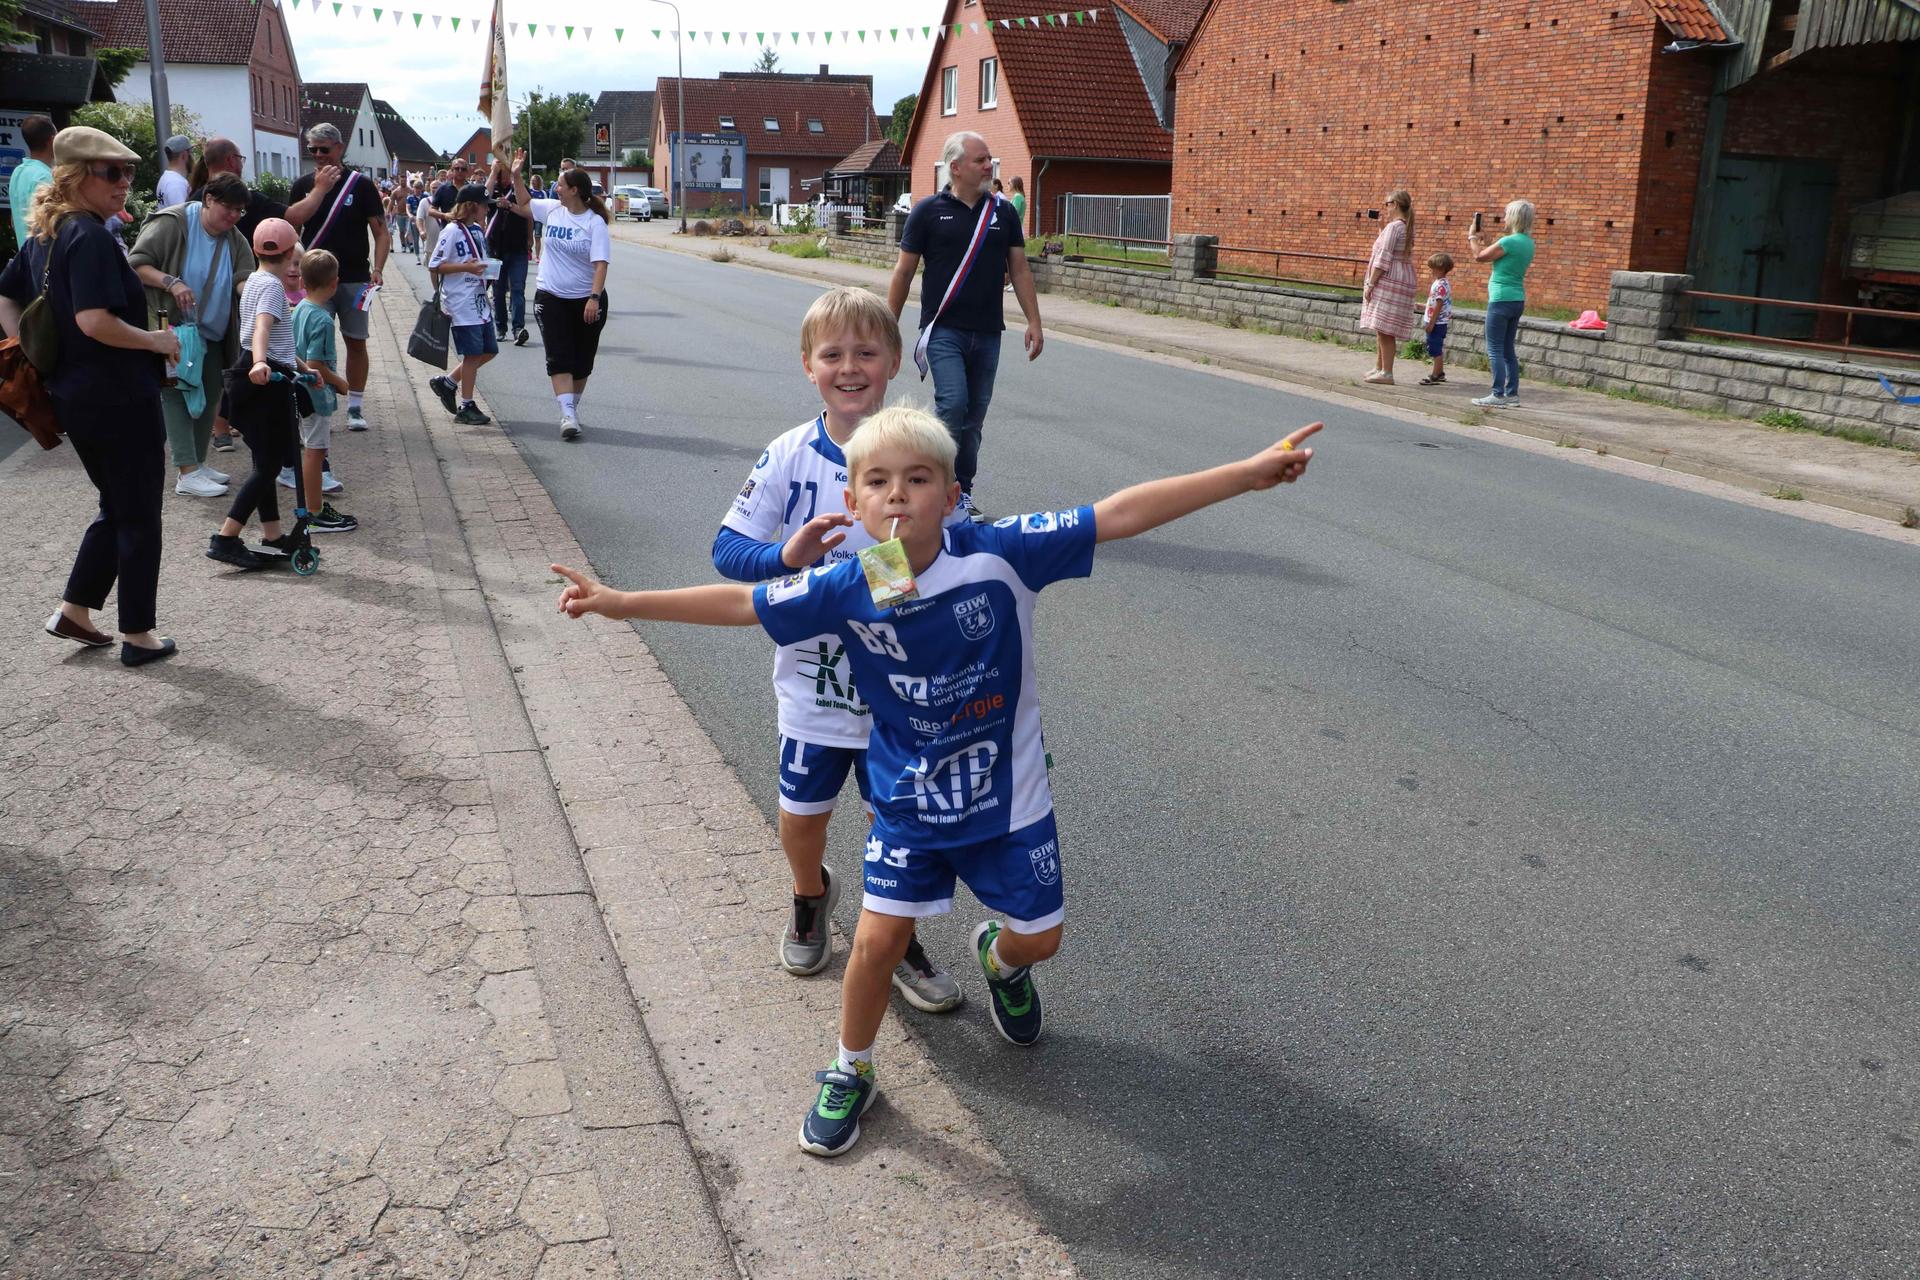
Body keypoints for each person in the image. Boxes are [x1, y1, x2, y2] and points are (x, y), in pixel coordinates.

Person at [551, 407, 1321, 1157]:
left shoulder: (1001, 554)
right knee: (879, 941)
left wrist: (1246, 476)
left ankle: (1001, 961)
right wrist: (622, 603)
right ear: (852, 504)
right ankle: (851, 1068)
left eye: (918, 479)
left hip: (1008, 801)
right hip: (909, 802)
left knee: (1041, 938)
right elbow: (743, 603)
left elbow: (1117, 513)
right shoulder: (853, 582)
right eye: (878, 482)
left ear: (951, 496)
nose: (897, 495)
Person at [710, 287, 961, 1008]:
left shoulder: (925, 448)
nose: (850, 368)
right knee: (803, 816)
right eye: (833, 355)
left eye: (867, 354)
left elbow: (961, 550)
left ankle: (894, 934)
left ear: (891, 365)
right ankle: (810, 894)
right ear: (808, 366)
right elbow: (728, 551)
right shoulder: (789, 455)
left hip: (902, 690)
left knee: (900, 824)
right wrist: (785, 559)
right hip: (816, 686)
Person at [0, 126, 182, 665]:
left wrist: (27, 353)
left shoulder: (46, 235)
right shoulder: (92, 237)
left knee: (118, 503)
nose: (125, 182)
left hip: (76, 396)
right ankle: (138, 634)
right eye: (111, 172)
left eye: (128, 172)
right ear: (78, 177)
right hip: (117, 395)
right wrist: (156, 340)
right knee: (140, 512)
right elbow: (94, 321)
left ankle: (76, 609)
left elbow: (6, 294)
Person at [888, 131, 1042, 523]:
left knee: (973, 420)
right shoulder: (927, 212)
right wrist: (887, 327)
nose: (989, 166)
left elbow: (1019, 269)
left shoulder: (1003, 213)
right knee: (952, 405)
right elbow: (904, 272)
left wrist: (1034, 321)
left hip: (989, 332)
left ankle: (962, 492)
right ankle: (935, 487)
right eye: (980, 160)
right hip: (943, 330)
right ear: (955, 168)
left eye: (990, 159)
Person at [129, 172, 256, 497]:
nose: (233, 216)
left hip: (211, 331)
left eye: (239, 210)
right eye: (229, 208)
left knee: (210, 393)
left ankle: (198, 464)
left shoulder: (234, 238)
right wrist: (172, 282)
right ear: (209, 199)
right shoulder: (173, 223)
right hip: (171, 327)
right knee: (176, 392)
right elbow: (137, 263)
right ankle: (186, 472)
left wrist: (256, 292)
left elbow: (243, 276)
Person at [206, 217, 304, 570]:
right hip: (263, 379)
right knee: (268, 466)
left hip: (255, 369)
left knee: (266, 461)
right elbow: (262, 327)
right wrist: (261, 363)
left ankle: (273, 534)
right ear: (292, 252)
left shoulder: (255, 281)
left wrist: (303, 367)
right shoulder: (274, 289)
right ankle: (227, 536)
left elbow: (275, 337)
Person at [286, 122, 389, 431]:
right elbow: (292, 226)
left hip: (354, 278)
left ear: (339, 149)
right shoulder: (303, 184)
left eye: (324, 149)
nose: (318, 155)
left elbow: (381, 232)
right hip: (315, 280)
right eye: (313, 150)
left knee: (356, 342)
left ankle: (355, 406)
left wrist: (379, 268)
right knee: (310, 346)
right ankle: (314, 405)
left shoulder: (361, 185)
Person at [507, 152, 609, 442]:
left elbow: (600, 264)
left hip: (585, 300)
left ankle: (571, 409)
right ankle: (567, 415)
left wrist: (594, 297)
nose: (556, 188)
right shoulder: (551, 210)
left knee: (582, 360)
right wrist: (516, 175)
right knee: (558, 355)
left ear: (574, 190)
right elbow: (524, 203)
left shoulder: (594, 223)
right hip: (550, 297)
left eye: (561, 185)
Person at [291, 250, 357, 533]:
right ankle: (314, 510)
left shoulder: (300, 309)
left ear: (303, 281)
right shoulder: (323, 320)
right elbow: (316, 363)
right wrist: (340, 382)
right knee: (316, 452)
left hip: (299, 390)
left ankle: (312, 507)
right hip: (315, 393)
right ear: (335, 283)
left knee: (311, 448)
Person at [425, 182, 499, 426]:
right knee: (472, 353)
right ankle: (466, 405)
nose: (487, 210)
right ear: (471, 207)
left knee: (489, 350)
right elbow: (435, 265)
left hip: (478, 299)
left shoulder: (477, 230)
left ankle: (447, 383)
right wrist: (465, 268)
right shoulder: (452, 231)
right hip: (460, 301)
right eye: (484, 207)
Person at [1469, 199, 1536, 408]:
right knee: (1508, 349)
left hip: (1500, 299)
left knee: (1495, 348)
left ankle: (1497, 394)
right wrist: (1484, 242)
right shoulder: (1527, 242)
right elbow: (1497, 254)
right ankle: (1512, 394)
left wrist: (1472, 236)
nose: (1504, 218)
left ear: (1514, 217)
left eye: (1507, 214)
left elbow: (1479, 256)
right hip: (1517, 298)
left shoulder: (1508, 241)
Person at [1359, 188, 1418, 385]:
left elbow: (1383, 257)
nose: (1385, 207)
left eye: (1387, 203)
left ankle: (1387, 372)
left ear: (1395, 205)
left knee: (1385, 329)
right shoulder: (1402, 227)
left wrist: (1370, 283)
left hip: (1388, 280)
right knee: (1381, 326)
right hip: (1401, 278)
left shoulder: (1395, 228)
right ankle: (1379, 366)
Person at [485, 156, 532, 347]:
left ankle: (518, 329)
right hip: (494, 249)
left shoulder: (519, 188)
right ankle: (501, 328)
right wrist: (492, 173)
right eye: (500, 170)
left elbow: (529, 213)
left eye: (505, 169)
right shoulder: (491, 188)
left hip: (518, 248)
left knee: (518, 289)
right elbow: (482, 197)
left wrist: (530, 239)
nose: (503, 174)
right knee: (497, 290)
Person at [8, 115, 55, 250]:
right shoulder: (44, 178)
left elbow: (14, 219)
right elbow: (49, 227)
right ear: (51, 140)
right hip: (42, 261)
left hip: (25, 258)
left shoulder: (18, 172)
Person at [1419, 252, 1455, 387]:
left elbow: (1439, 304)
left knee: (1435, 348)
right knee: (1436, 347)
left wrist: (1431, 323)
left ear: (1440, 268)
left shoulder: (1441, 285)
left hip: (1437, 322)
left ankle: (1436, 374)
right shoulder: (1441, 283)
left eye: (1433, 268)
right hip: (1439, 321)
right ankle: (1440, 372)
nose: (1431, 271)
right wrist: (1425, 306)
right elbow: (1435, 302)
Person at [156, 134, 193, 209]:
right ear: (184, 155)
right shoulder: (176, 183)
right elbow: (182, 217)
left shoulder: (166, 178)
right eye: (191, 153)